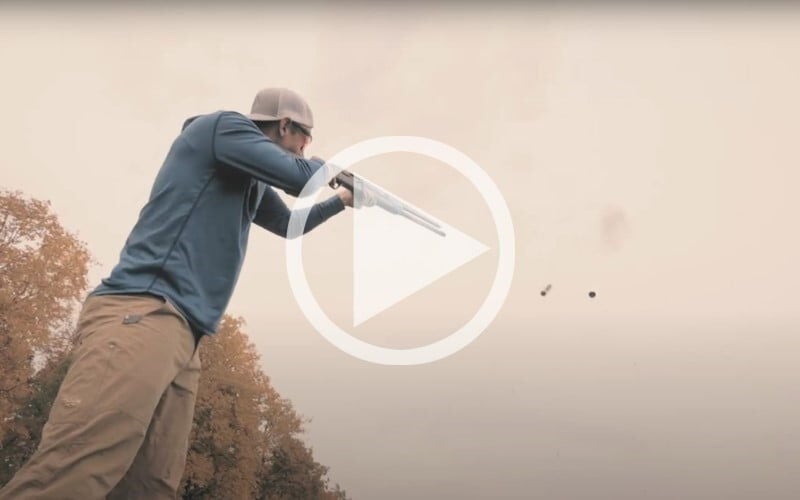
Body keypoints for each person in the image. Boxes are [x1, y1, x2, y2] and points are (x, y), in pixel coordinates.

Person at [0, 87, 353, 499]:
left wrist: (341, 200)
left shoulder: (250, 178)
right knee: (75, 470)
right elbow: (298, 176)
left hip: (185, 338)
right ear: (285, 125)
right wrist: (335, 171)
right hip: (142, 312)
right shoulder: (222, 128)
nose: (305, 147)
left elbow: (289, 224)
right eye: (304, 139)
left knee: (151, 486)